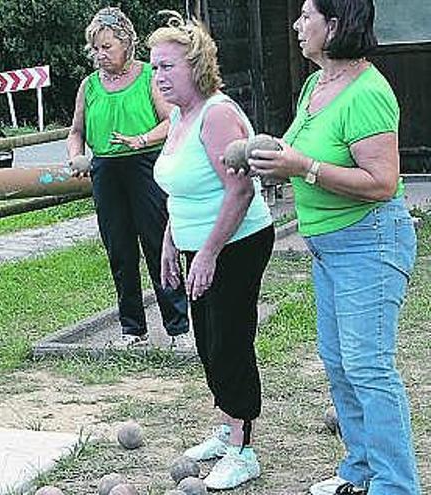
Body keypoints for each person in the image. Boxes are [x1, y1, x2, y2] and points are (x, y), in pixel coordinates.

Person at [249, 1, 421, 493]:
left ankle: (395, 486)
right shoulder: (315, 85)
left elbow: (383, 182)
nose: (297, 25)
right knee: (341, 364)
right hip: (328, 248)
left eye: (307, 15)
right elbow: (296, 149)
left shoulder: (368, 92)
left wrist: (303, 168)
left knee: (369, 366)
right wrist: (259, 156)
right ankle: (361, 471)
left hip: (370, 242)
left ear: (337, 24)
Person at [147, 12, 274, 489]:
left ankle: (244, 449)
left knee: (230, 341)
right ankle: (227, 427)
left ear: (196, 67)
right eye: (155, 67)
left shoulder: (217, 114)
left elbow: (239, 191)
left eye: (168, 67)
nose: (159, 77)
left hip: (236, 243)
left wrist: (208, 253)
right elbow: (180, 191)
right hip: (196, 242)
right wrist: (170, 243)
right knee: (207, 342)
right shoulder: (179, 116)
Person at [66, 7, 190, 349]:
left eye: (107, 46)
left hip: (145, 165)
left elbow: (172, 121)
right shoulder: (89, 85)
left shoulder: (150, 76)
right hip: (106, 169)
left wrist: (142, 139)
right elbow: (76, 131)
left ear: (126, 43)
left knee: (157, 246)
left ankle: (178, 327)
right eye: (96, 48)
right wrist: (76, 156)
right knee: (119, 250)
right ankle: (133, 329)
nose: (100, 54)